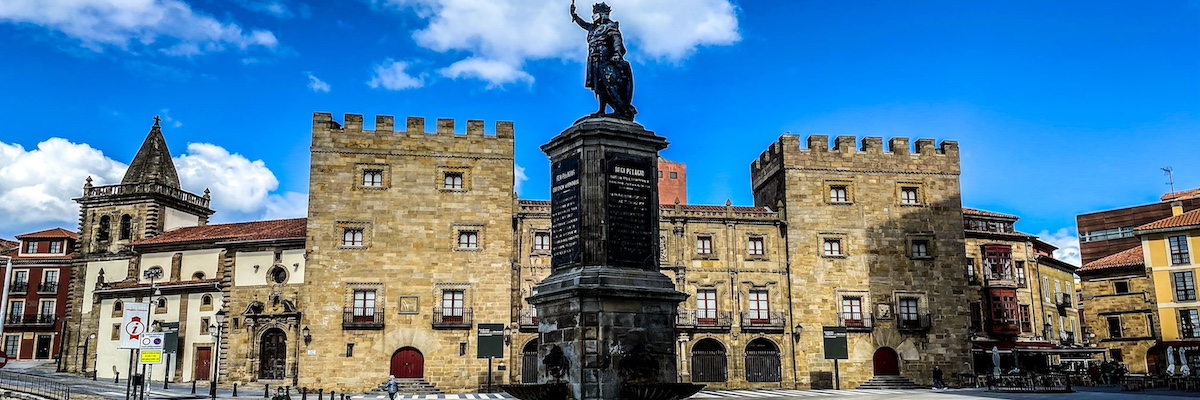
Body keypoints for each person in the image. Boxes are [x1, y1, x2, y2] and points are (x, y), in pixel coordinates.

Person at [569, 1, 637, 120]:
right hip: (594, 59)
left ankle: (621, 109)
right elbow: (583, 24)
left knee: (608, 83)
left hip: (605, 58)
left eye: (597, 13)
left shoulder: (610, 26)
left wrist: (617, 53)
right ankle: (601, 110)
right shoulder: (593, 28)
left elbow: (616, 40)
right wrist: (574, 15)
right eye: (594, 13)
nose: (595, 15)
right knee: (599, 85)